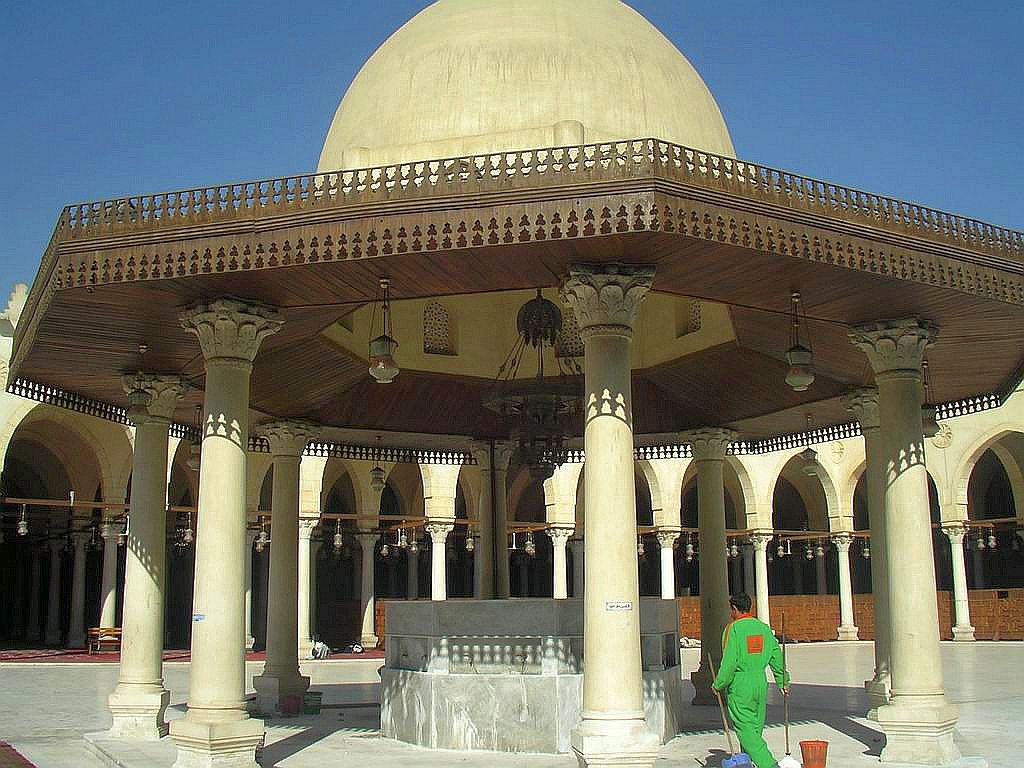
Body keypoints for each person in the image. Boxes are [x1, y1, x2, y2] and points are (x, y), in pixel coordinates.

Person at [712, 593, 789, 768]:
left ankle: (769, 764)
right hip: (760, 681)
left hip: (741, 684)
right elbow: (776, 655)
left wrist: (719, 683)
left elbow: (730, 662)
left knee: (745, 729)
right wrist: (783, 681)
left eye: (731, 609)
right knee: (755, 727)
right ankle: (747, 762)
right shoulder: (763, 628)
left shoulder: (733, 629)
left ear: (734, 609)